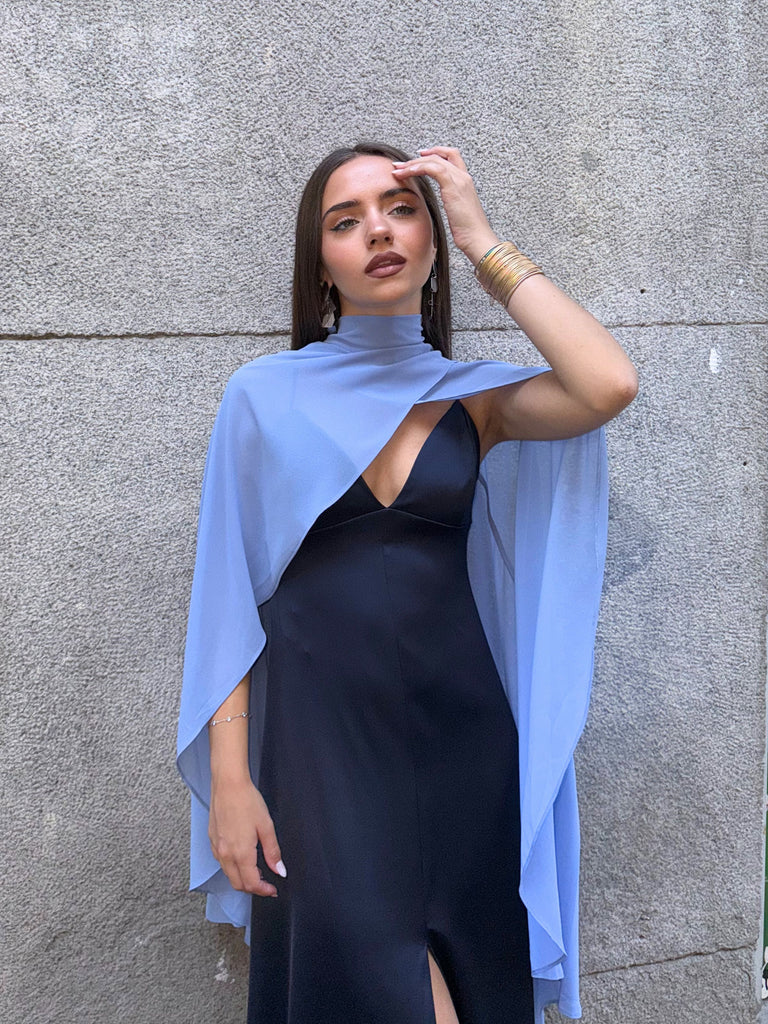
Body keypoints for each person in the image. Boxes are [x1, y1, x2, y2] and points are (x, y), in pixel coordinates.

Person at [176, 141, 638, 1024]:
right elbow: (227, 594)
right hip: (321, 753)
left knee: (473, 985)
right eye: (345, 221)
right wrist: (230, 783)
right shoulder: (263, 396)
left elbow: (607, 383)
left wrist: (483, 241)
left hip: (464, 741)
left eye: (401, 210)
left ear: (431, 238)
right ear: (321, 264)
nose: (378, 232)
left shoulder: (475, 400)